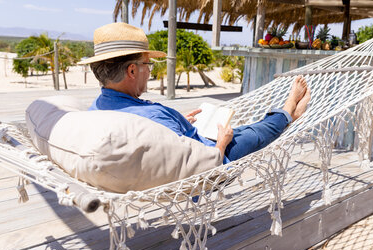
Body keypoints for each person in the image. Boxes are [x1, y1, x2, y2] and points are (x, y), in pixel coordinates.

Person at [79, 23, 311, 164]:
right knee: (258, 132)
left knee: (242, 128)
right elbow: (196, 168)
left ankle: (285, 115)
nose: (149, 72)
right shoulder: (151, 119)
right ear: (132, 70)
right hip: (213, 158)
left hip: (189, 141)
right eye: (147, 65)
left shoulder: (99, 107)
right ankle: (290, 109)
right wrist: (221, 144)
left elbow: (159, 138)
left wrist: (178, 124)